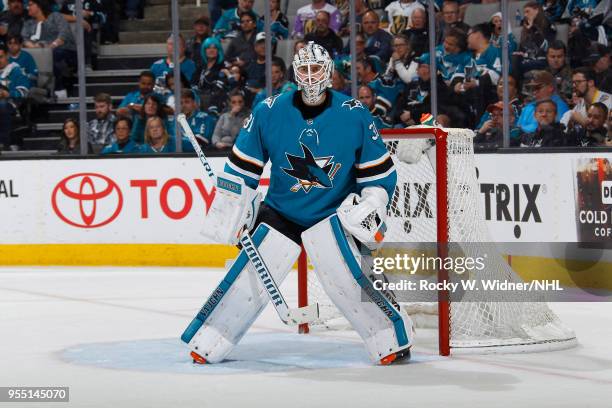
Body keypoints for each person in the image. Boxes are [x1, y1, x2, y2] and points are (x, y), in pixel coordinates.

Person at [181, 42, 414, 366]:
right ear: (295, 73)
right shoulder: (269, 110)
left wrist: (371, 203)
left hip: (332, 212)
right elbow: (241, 171)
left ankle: (391, 336)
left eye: (316, 69)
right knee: (253, 268)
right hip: (281, 211)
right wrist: (234, 214)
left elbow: (377, 174)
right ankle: (211, 337)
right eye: (303, 70)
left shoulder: (355, 114)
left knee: (344, 275)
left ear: (329, 72)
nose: (309, 76)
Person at [21, 0, 77, 99]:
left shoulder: (55, 16)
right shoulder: (28, 23)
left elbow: (64, 33)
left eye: (30, 5)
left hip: (62, 50)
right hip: (39, 52)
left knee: (52, 55)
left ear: (39, 6)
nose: (27, 7)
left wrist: (51, 47)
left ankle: (60, 89)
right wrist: (34, 47)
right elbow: (24, 39)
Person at [0, 43, 29, 152]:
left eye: (0, 57)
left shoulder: (16, 70)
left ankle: (3, 142)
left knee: (2, 105)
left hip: (13, 104)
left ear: (7, 56)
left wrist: (8, 94)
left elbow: (24, 91)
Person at [193, 37, 228, 115]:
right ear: (204, 50)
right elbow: (193, 82)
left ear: (218, 51)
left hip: (215, 102)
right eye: (208, 48)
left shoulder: (223, 66)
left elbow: (219, 89)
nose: (211, 50)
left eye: (214, 48)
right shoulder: (201, 66)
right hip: (199, 99)